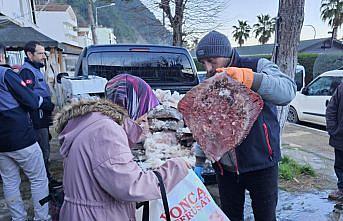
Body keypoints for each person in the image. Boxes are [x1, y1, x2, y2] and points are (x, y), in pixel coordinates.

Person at [55, 74, 190, 220]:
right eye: (144, 109)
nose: (145, 117)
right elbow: (131, 186)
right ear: (131, 105)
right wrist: (178, 166)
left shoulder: (94, 123)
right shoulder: (106, 131)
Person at [194, 31, 296, 221]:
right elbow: (205, 125)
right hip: (225, 169)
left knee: (265, 217)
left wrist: (250, 79)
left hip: (261, 164)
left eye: (212, 60)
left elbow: (287, 91)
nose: (207, 67)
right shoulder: (208, 81)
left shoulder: (257, 66)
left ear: (225, 53)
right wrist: (199, 161)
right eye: (203, 62)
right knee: (230, 216)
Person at [0, 44, 51, 220]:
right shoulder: (6, 74)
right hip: (20, 137)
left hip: (1, 143)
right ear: (2, 56)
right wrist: (45, 104)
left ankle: (18, 218)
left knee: (10, 181)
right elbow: (29, 99)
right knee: (38, 178)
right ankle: (42, 218)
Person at [19, 41, 61, 188]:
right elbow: (28, 96)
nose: (44, 56)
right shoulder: (27, 71)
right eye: (40, 53)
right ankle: (44, 182)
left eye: (44, 53)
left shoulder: (35, 69)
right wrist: (47, 104)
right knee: (42, 150)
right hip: (36, 119)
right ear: (30, 55)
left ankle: (45, 178)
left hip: (42, 117)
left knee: (45, 147)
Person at [326, 82, 343, 200]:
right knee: (340, 165)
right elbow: (331, 109)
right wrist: (333, 130)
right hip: (341, 137)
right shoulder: (341, 88)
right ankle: (341, 190)